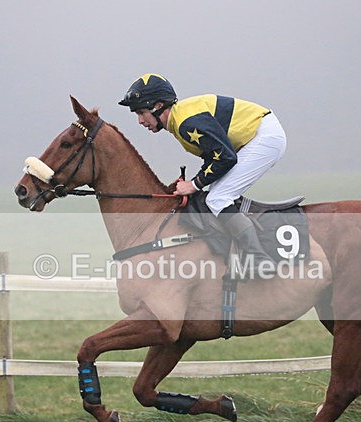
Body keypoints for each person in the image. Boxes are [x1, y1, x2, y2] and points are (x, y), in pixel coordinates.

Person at [119, 73, 287, 278]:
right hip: (259, 135)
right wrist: (194, 182)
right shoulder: (180, 121)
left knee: (218, 198)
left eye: (141, 112)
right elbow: (214, 158)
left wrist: (194, 185)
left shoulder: (186, 123)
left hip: (265, 137)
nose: (140, 121)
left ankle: (259, 259)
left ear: (159, 105)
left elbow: (225, 157)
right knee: (216, 195)